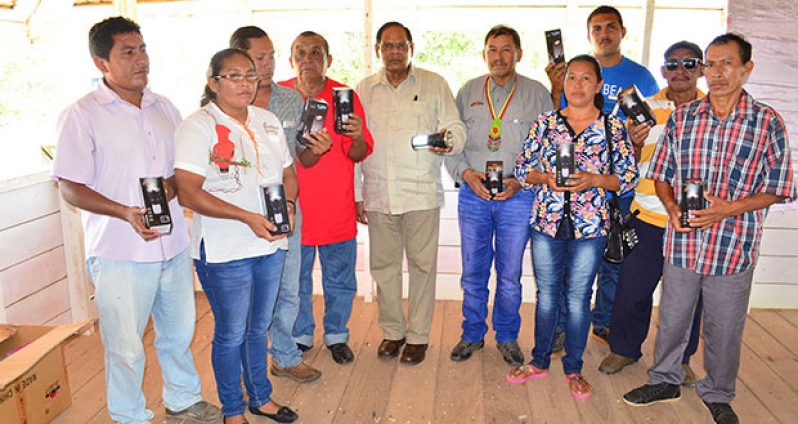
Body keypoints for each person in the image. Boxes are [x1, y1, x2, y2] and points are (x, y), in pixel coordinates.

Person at [52, 17, 221, 424]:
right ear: (101, 62)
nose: (140, 59)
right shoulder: (82, 115)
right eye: (127, 52)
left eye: (142, 49)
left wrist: (170, 186)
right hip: (119, 252)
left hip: (173, 244)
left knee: (179, 334)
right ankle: (129, 416)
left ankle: (182, 401)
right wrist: (124, 212)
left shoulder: (165, 108)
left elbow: (180, 172)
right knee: (125, 346)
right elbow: (70, 187)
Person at [623, 33, 795, 424]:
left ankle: (718, 392)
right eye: (711, 64)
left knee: (723, 327)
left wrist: (727, 210)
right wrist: (670, 209)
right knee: (672, 318)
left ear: (747, 69)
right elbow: (661, 174)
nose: (717, 73)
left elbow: (781, 188)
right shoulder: (683, 118)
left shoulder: (767, 122)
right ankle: (664, 378)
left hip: (733, 245)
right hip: (683, 243)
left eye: (726, 64)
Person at [174, 48, 299, 424]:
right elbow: (188, 191)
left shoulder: (268, 120)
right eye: (233, 76)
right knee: (231, 333)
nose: (245, 83)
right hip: (224, 251)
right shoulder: (198, 126)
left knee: (258, 328)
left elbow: (288, 173)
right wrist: (246, 217)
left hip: (271, 243)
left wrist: (289, 203)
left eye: (250, 75)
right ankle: (232, 410)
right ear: (213, 82)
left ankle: (260, 397)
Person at [509, 55, 638, 400]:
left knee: (579, 299)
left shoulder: (612, 128)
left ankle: (574, 368)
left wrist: (595, 179)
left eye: (585, 79)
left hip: (591, 227)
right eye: (571, 78)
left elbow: (627, 178)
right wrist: (545, 178)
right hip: (547, 223)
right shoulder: (546, 123)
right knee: (547, 295)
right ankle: (538, 361)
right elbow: (522, 170)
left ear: (598, 86)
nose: (577, 84)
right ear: (562, 84)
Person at [546, 4, 659, 350]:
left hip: (620, 187)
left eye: (611, 27)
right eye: (596, 28)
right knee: (571, 264)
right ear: (589, 34)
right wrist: (555, 85)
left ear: (623, 32)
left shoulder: (641, 76)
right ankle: (563, 327)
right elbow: (557, 120)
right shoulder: (573, 72)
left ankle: (604, 321)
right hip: (577, 188)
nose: (604, 33)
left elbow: (654, 126)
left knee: (614, 259)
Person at [356, 21, 466, 365]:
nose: (394, 52)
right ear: (378, 50)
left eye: (400, 45)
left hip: (420, 193)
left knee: (422, 266)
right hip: (378, 193)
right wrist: (356, 193)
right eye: (387, 46)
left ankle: (418, 337)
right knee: (383, 267)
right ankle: (392, 332)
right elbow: (354, 142)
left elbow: (456, 126)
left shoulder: (434, 84)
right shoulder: (364, 89)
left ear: (411, 48)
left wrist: (448, 140)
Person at [445, 25, 552, 366]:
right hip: (474, 193)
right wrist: (465, 174)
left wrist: (521, 181)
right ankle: (472, 333)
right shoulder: (467, 91)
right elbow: (452, 143)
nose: (499, 56)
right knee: (473, 270)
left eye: (506, 49)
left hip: (517, 194)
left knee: (509, 274)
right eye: (492, 49)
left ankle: (506, 336)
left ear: (519, 54)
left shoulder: (537, 93)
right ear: (484, 54)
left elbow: (548, 146)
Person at [599, 41, 706, 383]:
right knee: (632, 290)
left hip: (694, 221)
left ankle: (681, 359)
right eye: (672, 64)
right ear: (662, 71)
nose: (680, 71)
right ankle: (625, 349)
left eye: (689, 64)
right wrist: (632, 141)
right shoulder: (645, 108)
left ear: (701, 69)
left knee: (688, 299)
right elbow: (627, 165)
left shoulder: (715, 111)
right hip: (647, 215)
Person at [229, 26, 321, 384]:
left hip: (286, 207)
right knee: (244, 293)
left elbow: (302, 160)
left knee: (289, 286)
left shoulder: (291, 100)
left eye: (270, 57)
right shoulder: (223, 106)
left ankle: (284, 355)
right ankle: (241, 362)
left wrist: (317, 146)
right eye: (258, 58)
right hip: (239, 215)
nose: (267, 65)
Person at [277, 31, 373, 365]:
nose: (308, 59)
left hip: (336, 208)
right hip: (293, 209)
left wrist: (358, 135)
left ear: (328, 60)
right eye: (300, 52)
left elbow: (359, 152)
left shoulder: (344, 97)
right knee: (295, 280)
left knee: (340, 279)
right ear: (291, 59)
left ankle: (336, 335)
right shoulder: (278, 95)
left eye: (316, 52)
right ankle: (301, 334)